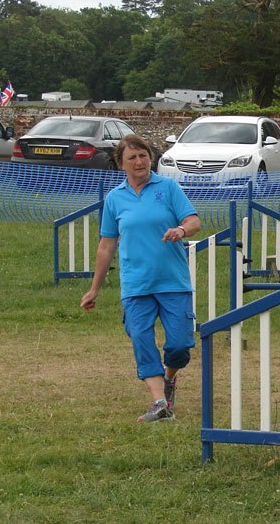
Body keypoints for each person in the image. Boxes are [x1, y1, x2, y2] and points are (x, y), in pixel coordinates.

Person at [81, 134, 201, 423]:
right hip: (136, 285)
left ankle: (169, 380)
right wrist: (94, 288)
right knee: (141, 339)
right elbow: (106, 245)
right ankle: (159, 402)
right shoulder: (115, 198)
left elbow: (194, 221)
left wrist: (181, 231)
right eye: (132, 157)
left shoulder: (168, 187)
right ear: (121, 163)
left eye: (143, 155)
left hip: (173, 281)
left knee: (179, 345)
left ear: (151, 158)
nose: (139, 162)